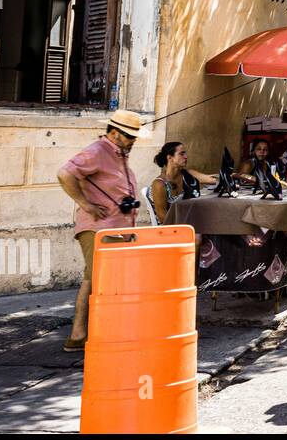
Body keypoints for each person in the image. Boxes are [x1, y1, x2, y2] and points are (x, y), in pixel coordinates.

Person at [56, 110, 143, 352]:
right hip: (99, 229)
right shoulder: (97, 151)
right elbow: (65, 174)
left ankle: (86, 332)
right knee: (97, 279)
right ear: (114, 133)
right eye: (129, 137)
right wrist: (86, 204)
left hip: (117, 228)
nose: (133, 142)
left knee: (97, 279)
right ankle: (79, 334)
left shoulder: (118, 155)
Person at [147, 142, 216, 224]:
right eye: (181, 154)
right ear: (170, 158)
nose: (186, 157)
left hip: (186, 222)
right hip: (170, 228)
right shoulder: (159, 184)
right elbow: (163, 218)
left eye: (185, 154)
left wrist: (230, 176)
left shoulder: (187, 174)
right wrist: (188, 225)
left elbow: (211, 179)